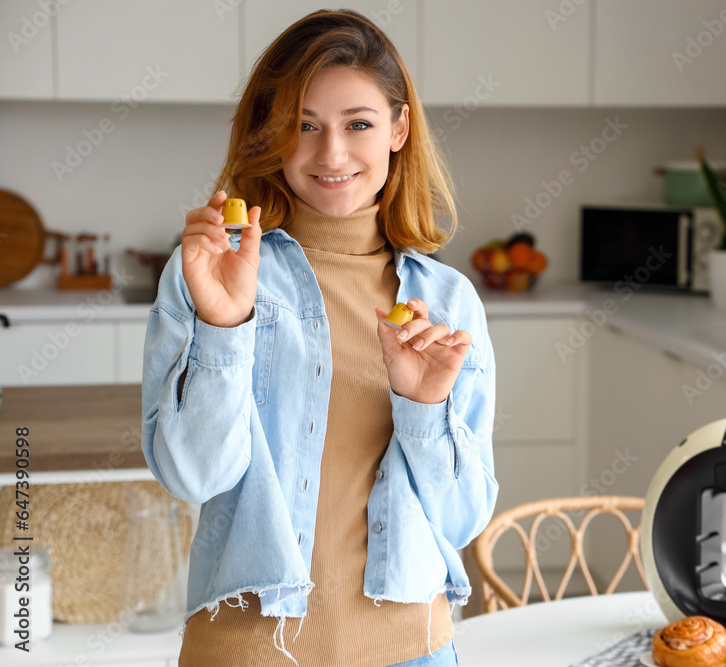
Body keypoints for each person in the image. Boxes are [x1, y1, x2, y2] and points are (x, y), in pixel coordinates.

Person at [140, 9, 498, 666]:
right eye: (303, 126)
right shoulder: (213, 273)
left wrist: (422, 410)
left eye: (357, 123)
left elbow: (461, 520)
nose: (331, 153)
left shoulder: (447, 303)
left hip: (412, 652)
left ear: (398, 128)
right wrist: (224, 325)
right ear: (268, 135)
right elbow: (193, 475)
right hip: (248, 652)